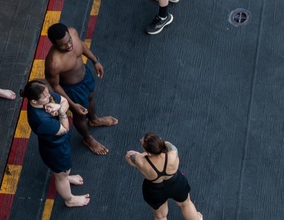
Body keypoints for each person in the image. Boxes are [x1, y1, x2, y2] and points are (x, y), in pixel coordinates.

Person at [45, 22, 117, 155]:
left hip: (85, 76)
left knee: (90, 98)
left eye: (69, 41)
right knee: (80, 114)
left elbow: (82, 46)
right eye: (63, 45)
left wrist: (95, 61)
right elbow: (55, 86)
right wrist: (72, 104)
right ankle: (87, 138)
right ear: (55, 44)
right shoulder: (54, 63)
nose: (69, 45)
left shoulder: (72, 32)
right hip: (72, 90)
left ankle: (94, 120)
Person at [22, 79, 90, 207]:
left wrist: (59, 107)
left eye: (48, 93)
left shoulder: (43, 94)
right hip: (55, 149)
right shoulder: (41, 120)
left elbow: (64, 101)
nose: (49, 96)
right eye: (45, 96)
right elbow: (64, 129)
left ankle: (65, 176)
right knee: (61, 173)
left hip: (58, 143)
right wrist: (60, 110)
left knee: (63, 170)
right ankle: (69, 199)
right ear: (34, 101)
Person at [125, 133, 203, 220]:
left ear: (149, 152)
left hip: (154, 190)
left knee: (160, 217)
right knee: (186, 204)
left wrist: (142, 155)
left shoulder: (140, 161)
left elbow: (128, 158)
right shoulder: (173, 153)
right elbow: (166, 144)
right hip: (176, 184)